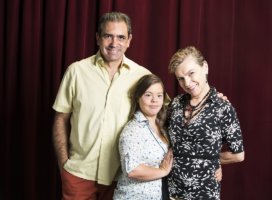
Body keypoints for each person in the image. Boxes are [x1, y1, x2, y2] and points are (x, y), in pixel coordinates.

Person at [52, 12, 151, 200]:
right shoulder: (76, 71)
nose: (114, 43)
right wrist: (64, 165)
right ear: (98, 38)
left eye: (121, 37)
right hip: (78, 174)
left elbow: (167, 114)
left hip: (121, 177)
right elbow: (60, 119)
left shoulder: (142, 76)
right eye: (108, 36)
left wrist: (206, 97)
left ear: (129, 40)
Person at [166, 46, 245, 200]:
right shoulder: (175, 103)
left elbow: (238, 155)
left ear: (205, 67)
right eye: (180, 78)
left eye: (191, 73)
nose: (187, 83)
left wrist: (211, 160)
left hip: (204, 192)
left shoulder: (222, 107)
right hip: (171, 190)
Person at [113, 74, 173, 200]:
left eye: (159, 95)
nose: (154, 100)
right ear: (138, 97)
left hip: (159, 194)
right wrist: (163, 171)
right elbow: (132, 170)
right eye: (148, 95)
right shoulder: (132, 130)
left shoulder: (162, 125)